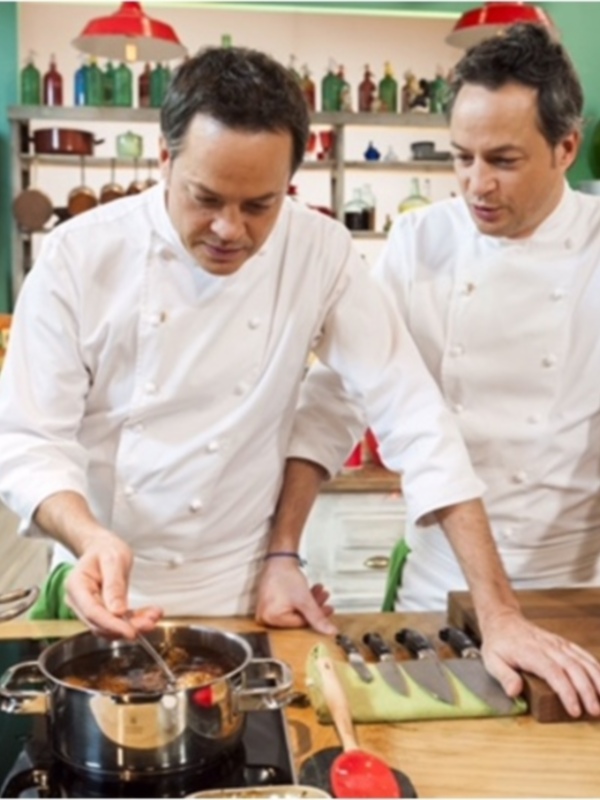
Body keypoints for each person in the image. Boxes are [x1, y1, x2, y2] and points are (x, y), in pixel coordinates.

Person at [0, 45, 487, 641]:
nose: (231, 229)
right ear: (164, 159)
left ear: (291, 180)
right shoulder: (78, 256)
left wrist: (498, 612)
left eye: (261, 205)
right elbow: (28, 440)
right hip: (94, 583)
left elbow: (411, 411)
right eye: (206, 198)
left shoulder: (320, 252)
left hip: (241, 591)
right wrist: (88, 536)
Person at [281, 22, 600, 718]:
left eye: (504, 160)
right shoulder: (422, 240)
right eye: (461, 157)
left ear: (566, 147)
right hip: (437, 590)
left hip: (572, 594)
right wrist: (284, 552)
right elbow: (337, 396)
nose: (475, 184)